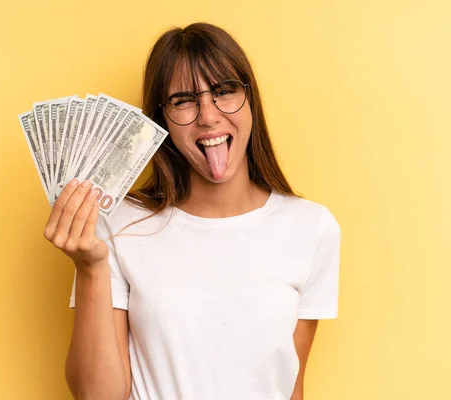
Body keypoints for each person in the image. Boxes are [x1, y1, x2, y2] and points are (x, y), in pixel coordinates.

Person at [43, 22, 341, 400]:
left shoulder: (312, 228)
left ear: (250, 99)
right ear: (161, 119)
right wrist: (89, 268)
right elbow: (97, 396)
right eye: (184, 100)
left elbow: (289, 387)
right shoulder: (119, 224)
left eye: (224, 91)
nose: (208, 116)